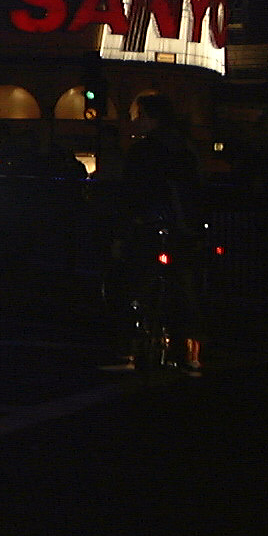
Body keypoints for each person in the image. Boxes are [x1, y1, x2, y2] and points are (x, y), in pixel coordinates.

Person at [101, 93, 207, 375]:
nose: (135, 121)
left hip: (147, 227)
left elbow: (131, 195)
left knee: (130, 283)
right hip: (182, 229)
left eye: (139, 115)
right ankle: (184, 349)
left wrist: (121, 232)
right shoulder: (184, 147)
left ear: (150, 117)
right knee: (182, 287)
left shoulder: (143, 152)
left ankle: (129, 346)